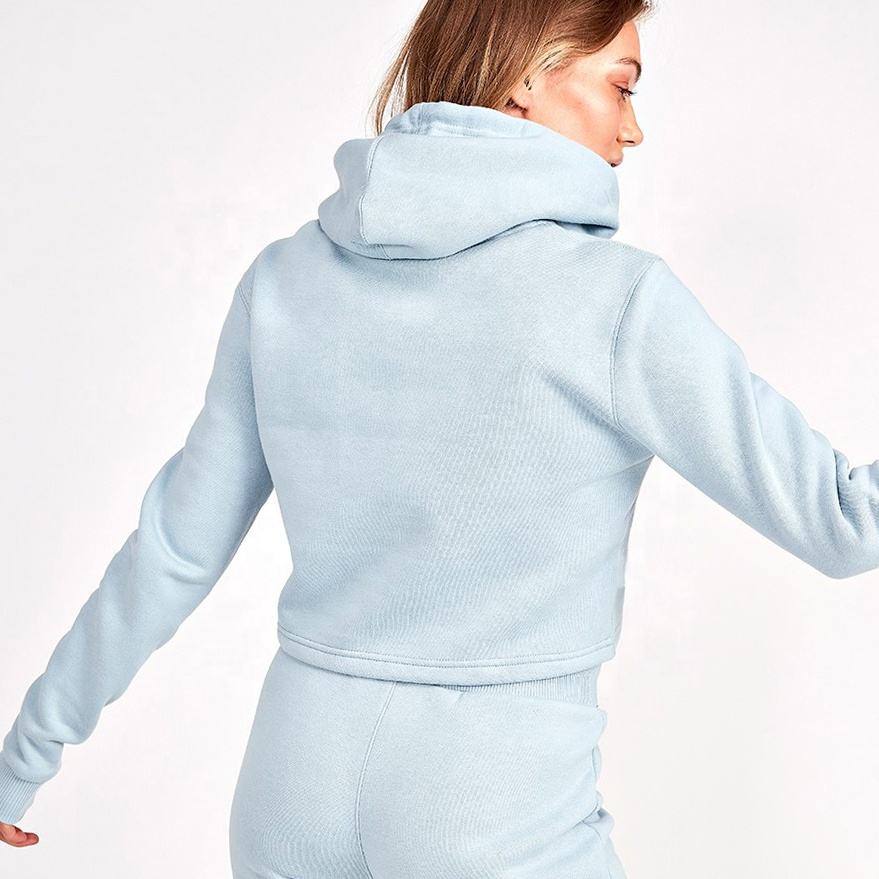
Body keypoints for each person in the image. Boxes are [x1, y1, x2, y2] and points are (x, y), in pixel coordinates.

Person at [3, 0, 878, 875]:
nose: (632, 128)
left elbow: (175, 549)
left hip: (291, 780)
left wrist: (20, 760)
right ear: (528, 76)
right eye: (622, 87)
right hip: (490, 802)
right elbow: (844, 523)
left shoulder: (284, 278)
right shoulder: (614, 300)